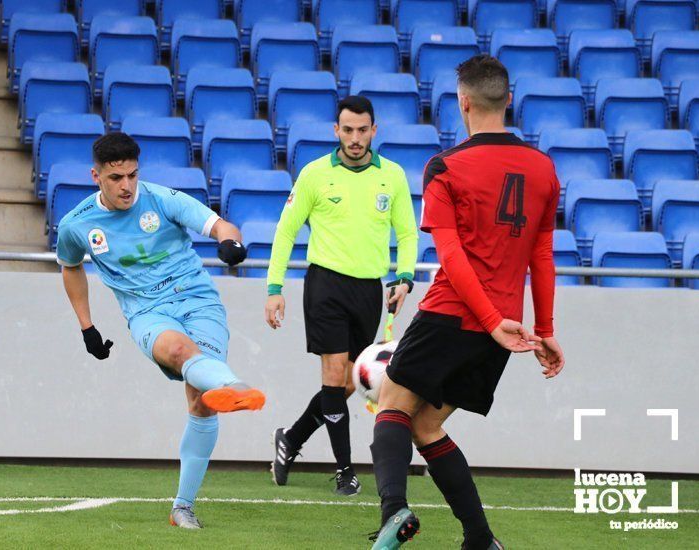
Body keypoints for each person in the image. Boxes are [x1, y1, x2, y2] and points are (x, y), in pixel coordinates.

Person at [369, 55, 566, 550]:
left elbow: (451, 256)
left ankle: (394, 511)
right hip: (499, 332)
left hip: (455, 315)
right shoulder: (544, 169)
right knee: (428, 424)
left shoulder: (446, 167)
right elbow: (542, 255)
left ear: (463, 102)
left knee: (390, 405)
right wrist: (543, 328)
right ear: (508, 100)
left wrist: (490, 318)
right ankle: (480, 539)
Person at [56, 132, 265, 529]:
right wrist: (88, 327)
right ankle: (235, 387)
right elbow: (70, 267)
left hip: (199, 301)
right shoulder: (77, 224)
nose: (127, 186)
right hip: (148, 313)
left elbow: (221, 225)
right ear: (95, 176)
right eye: (116, 178)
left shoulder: (162, 199)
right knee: (181, 353)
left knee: (202, 402)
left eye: (133, 175)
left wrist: (230, 244)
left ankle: (182, 507)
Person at [265, 96, 419, 495]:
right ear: (336, 131)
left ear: (373, 131)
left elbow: (406, 233)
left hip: (369, 290)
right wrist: (275, 288)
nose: (354, 138)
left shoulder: (393, 176)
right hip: (326, 286)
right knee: (334, 377)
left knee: (348, 385)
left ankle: (292, 439)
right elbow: (285, 231)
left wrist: (404, 278)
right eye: (347, 130)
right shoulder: (315, 174)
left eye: (362, 130)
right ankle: (345, 471)